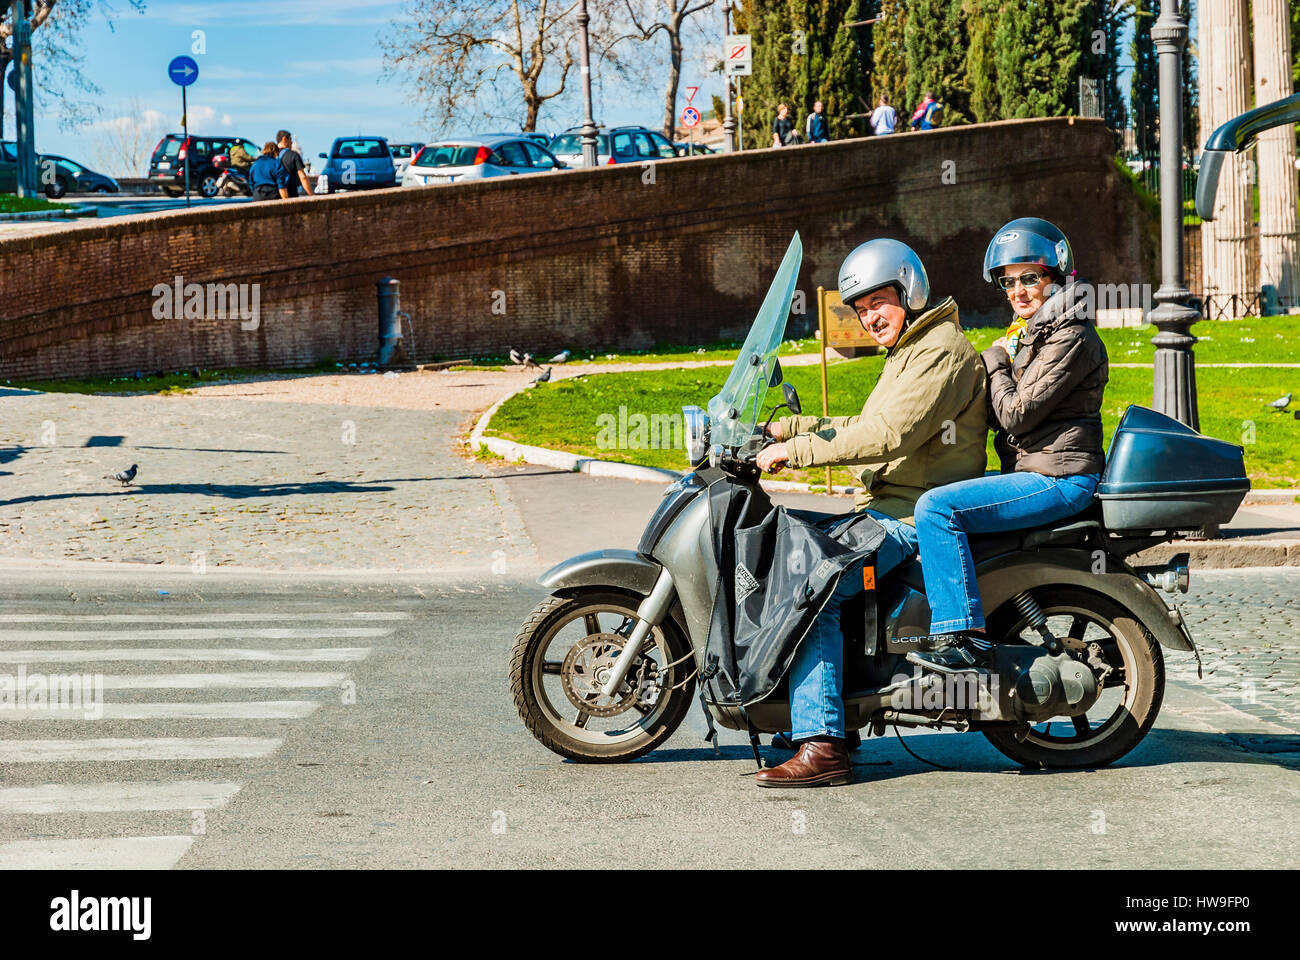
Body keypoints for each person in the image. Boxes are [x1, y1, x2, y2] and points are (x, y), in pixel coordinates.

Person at [751, 239, 989, 787]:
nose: (869, 317)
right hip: (884, 507)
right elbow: (862, 424)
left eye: (878, 302)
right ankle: (829, 713)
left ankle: (824, 743)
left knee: (812, 592)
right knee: (795, 556)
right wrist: (783, 429)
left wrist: (798, 451)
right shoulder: (911, 350)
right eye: (860, 309)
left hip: (906, 518)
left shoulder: (940, 352)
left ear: (909, 290)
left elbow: (888, 434)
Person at [907, 218, 1108, 675]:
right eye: (1008, 281)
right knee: (946, 491)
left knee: (937, 509)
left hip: (1060, 477)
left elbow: (1017, 412)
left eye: (1029, 278)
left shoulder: (1070, 336)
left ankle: (962, 637)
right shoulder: (1038, 334)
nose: (1017, 290)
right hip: (1037, 470)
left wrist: (995, 360)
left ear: (1056, 277)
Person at [276, 129, 314, 197]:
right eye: (290, 139)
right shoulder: (293, 155)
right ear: (284, 139)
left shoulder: (273, 157)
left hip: (276, 195)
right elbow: (303, 177)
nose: (291, 142)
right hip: (290, 194)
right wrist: (312, 195)